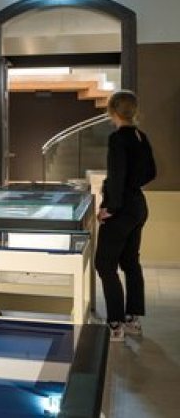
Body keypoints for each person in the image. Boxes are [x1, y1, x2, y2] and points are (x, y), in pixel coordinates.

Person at [96, 90, 156, 341]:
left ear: (111, 111)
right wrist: (133, 185)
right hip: (139, 206)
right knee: (130, 262)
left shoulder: (117, 138)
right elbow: (151, 172)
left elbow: (117, 174)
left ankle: (115, 324)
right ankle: (132, 320)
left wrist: (109, 206)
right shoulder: (140, 136)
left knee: (105, 264)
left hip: (121, 209)